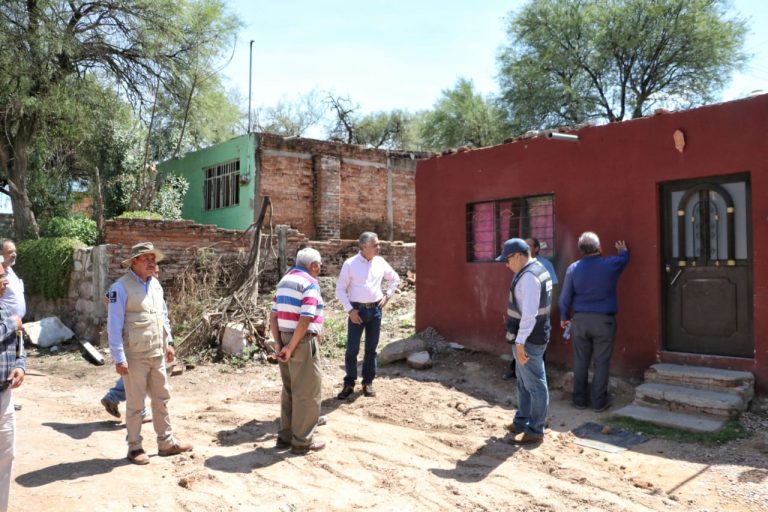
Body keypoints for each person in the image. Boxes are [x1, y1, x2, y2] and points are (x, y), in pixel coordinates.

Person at [107, 242, 191, 465]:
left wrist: (169, 342)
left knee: (161, 399)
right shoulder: (120, 288)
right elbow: (114, 325)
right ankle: (134, 447)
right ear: (133, 262)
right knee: (135, 403)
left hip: (157, 352)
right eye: (146, 258)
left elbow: (162, 315)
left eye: (153, 259)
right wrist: (118, 358)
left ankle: (166, 442)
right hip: (134, 355)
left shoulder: (155, 285)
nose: (152, 262)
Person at [559, 232, 629, 412]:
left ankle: (579, 400)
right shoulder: (610, 264)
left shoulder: (573, 269)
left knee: (581, 361)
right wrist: (622, 251)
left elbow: (565, 297)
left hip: (580, 320)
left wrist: (563, 317)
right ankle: (599, 403)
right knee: (602, 362)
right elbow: (623, 260)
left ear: (581, 250)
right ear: (599, 248)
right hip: (604, 322)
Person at [270, 247, 325, 455]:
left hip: (284, 337)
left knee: (290, 389)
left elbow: (273, 316)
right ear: (312, 265)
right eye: (318, 265)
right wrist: (292, 346)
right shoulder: (309, 283)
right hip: (301, 341)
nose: (319, 269)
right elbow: (305, 319)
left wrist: (278, 344)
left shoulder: (283, 281)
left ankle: (285, 436)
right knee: (308, 391)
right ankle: (302, 441)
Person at [497, 239, 552, 444]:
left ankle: (535, 430)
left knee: (535, 384)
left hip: (529, 338)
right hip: (533, 335)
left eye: (508, 259)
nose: (506, 264)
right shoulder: (538, 268)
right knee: (523, 382)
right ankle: (521, 421)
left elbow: (529, 314)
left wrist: (520, 343)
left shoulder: (529, 277)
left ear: (519, 256)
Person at [335, 232, 400, 399]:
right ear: (364, 246)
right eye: (375, 245)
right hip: (357, 311)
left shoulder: (380, 262)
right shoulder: (350, 264)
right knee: (352, 350)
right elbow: (340, 290)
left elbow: (395, 279)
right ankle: (349, 383)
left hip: (376, 310)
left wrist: (388, 295)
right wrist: (350, 310)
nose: (379, 247)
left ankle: (368, 383)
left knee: (371, 349)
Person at [503, 237, 558, 381]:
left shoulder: (535, 271)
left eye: (528, 246)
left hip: (531, 331)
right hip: (526, 329)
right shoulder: (525, 268)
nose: (506, 265)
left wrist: (520, 341)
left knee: (534, 377)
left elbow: (531, 308)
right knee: (525, 375)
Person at [0, 257, 25, 512]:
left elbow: (20, 344)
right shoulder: (10, 317)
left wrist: (20, 366)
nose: (5, 281)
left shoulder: (6, 309)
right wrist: (11, 324)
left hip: (4, 394)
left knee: (5, 458)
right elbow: (12, 328)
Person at [0, 240, 25, 320]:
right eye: (10, 252)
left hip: (17, 323)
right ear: (1, 254)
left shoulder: (10, 270)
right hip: (5, 324)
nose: (14, 254)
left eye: (15, 251)